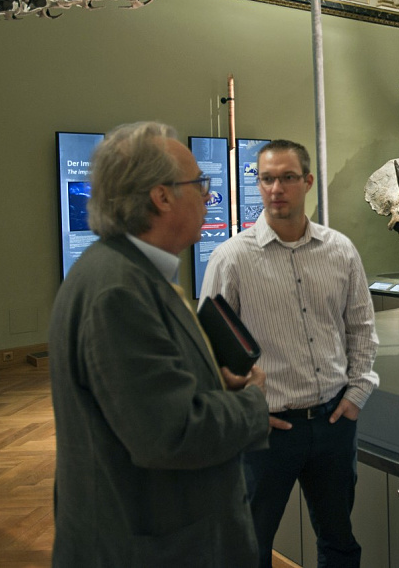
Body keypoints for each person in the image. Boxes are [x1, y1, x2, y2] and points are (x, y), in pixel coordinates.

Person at [48, 121, 275, 567]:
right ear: (162, 196)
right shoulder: (119, 292)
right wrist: (253, 402)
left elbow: (147, 400)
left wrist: (215, 385)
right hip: (150, 548)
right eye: (200, 183)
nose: (209, 195)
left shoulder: (128, 274)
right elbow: (171, 434)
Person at [200, 139, 378, 568]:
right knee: (249, 548)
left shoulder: (340, 251)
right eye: (266, 178)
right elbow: (210, 353)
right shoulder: (231, 259)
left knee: (339, 541)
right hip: (267, 432)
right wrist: (246, 413)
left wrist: (356, 394)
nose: (275, 187)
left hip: (334, 425)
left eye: (287, 177)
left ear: (308, 182)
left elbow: (361, 329)